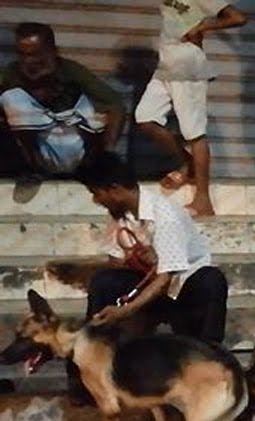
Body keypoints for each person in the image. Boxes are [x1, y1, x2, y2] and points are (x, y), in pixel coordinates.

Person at [67, 153, 228, 402]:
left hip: (183, 288)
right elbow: (115, 260)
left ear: (115, 189)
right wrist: (132, 259)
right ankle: (88, 378)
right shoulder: (121, 215)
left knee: (212, 281)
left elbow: (167, 277)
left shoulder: (165, 215)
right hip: (149, 285)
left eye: (97, 193)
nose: (96, 200)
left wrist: (126, 310)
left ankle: (210, 370)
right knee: (104, 282)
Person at [134, 1, 247, 218]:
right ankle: (188, 164)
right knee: (145, 119)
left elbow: (238, 18)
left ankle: (203, 200)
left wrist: (202, 27)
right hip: (166, 67)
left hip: (188, 68)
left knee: (194, 133)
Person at [0, 23, 124, 180]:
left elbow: (115, 104)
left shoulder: (71, 71)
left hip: (73, 146)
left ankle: (94, 166)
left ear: (53, 51)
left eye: (37, 54)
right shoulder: (12, 74)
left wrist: (107, 153)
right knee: (12, 98)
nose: (30, 61)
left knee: (88, 106)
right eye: (24, 55)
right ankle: (31, 168)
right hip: (38, 152)